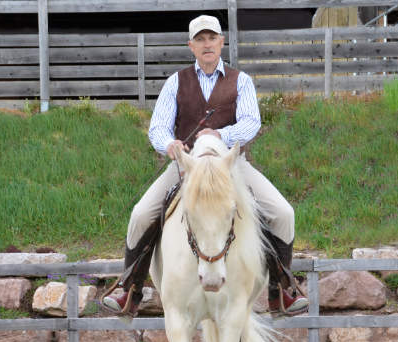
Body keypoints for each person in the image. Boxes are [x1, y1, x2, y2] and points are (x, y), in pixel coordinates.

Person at [102, 14, 307, 316]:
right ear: (191, 46)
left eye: (212, 38)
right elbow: (158, 127)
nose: (207, 44)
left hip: (232, 167)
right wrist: (168, 144)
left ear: (221, 42)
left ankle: (281, 290)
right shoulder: (176, 82)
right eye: (200, 39)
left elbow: (251, 122)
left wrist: (221, 134)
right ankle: (130, 290)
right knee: (141, 213)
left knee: (282, 213)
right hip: (187, 166)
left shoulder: (242, 81)